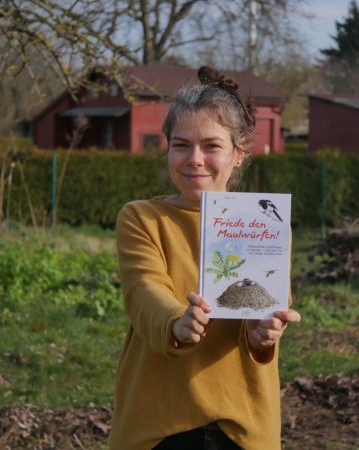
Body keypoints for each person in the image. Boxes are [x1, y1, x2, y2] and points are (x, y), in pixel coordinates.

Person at [108, 66, 301, 450]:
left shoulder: (264, 222)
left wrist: (264, 333)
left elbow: (263, 310)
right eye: (181, 145)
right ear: (167, 148)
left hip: (242, 428)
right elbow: (144, 289)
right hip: (157, 428)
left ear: (239, 155)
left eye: (211, 146)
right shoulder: (142, 218)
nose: (194, 159)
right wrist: (175, 322)